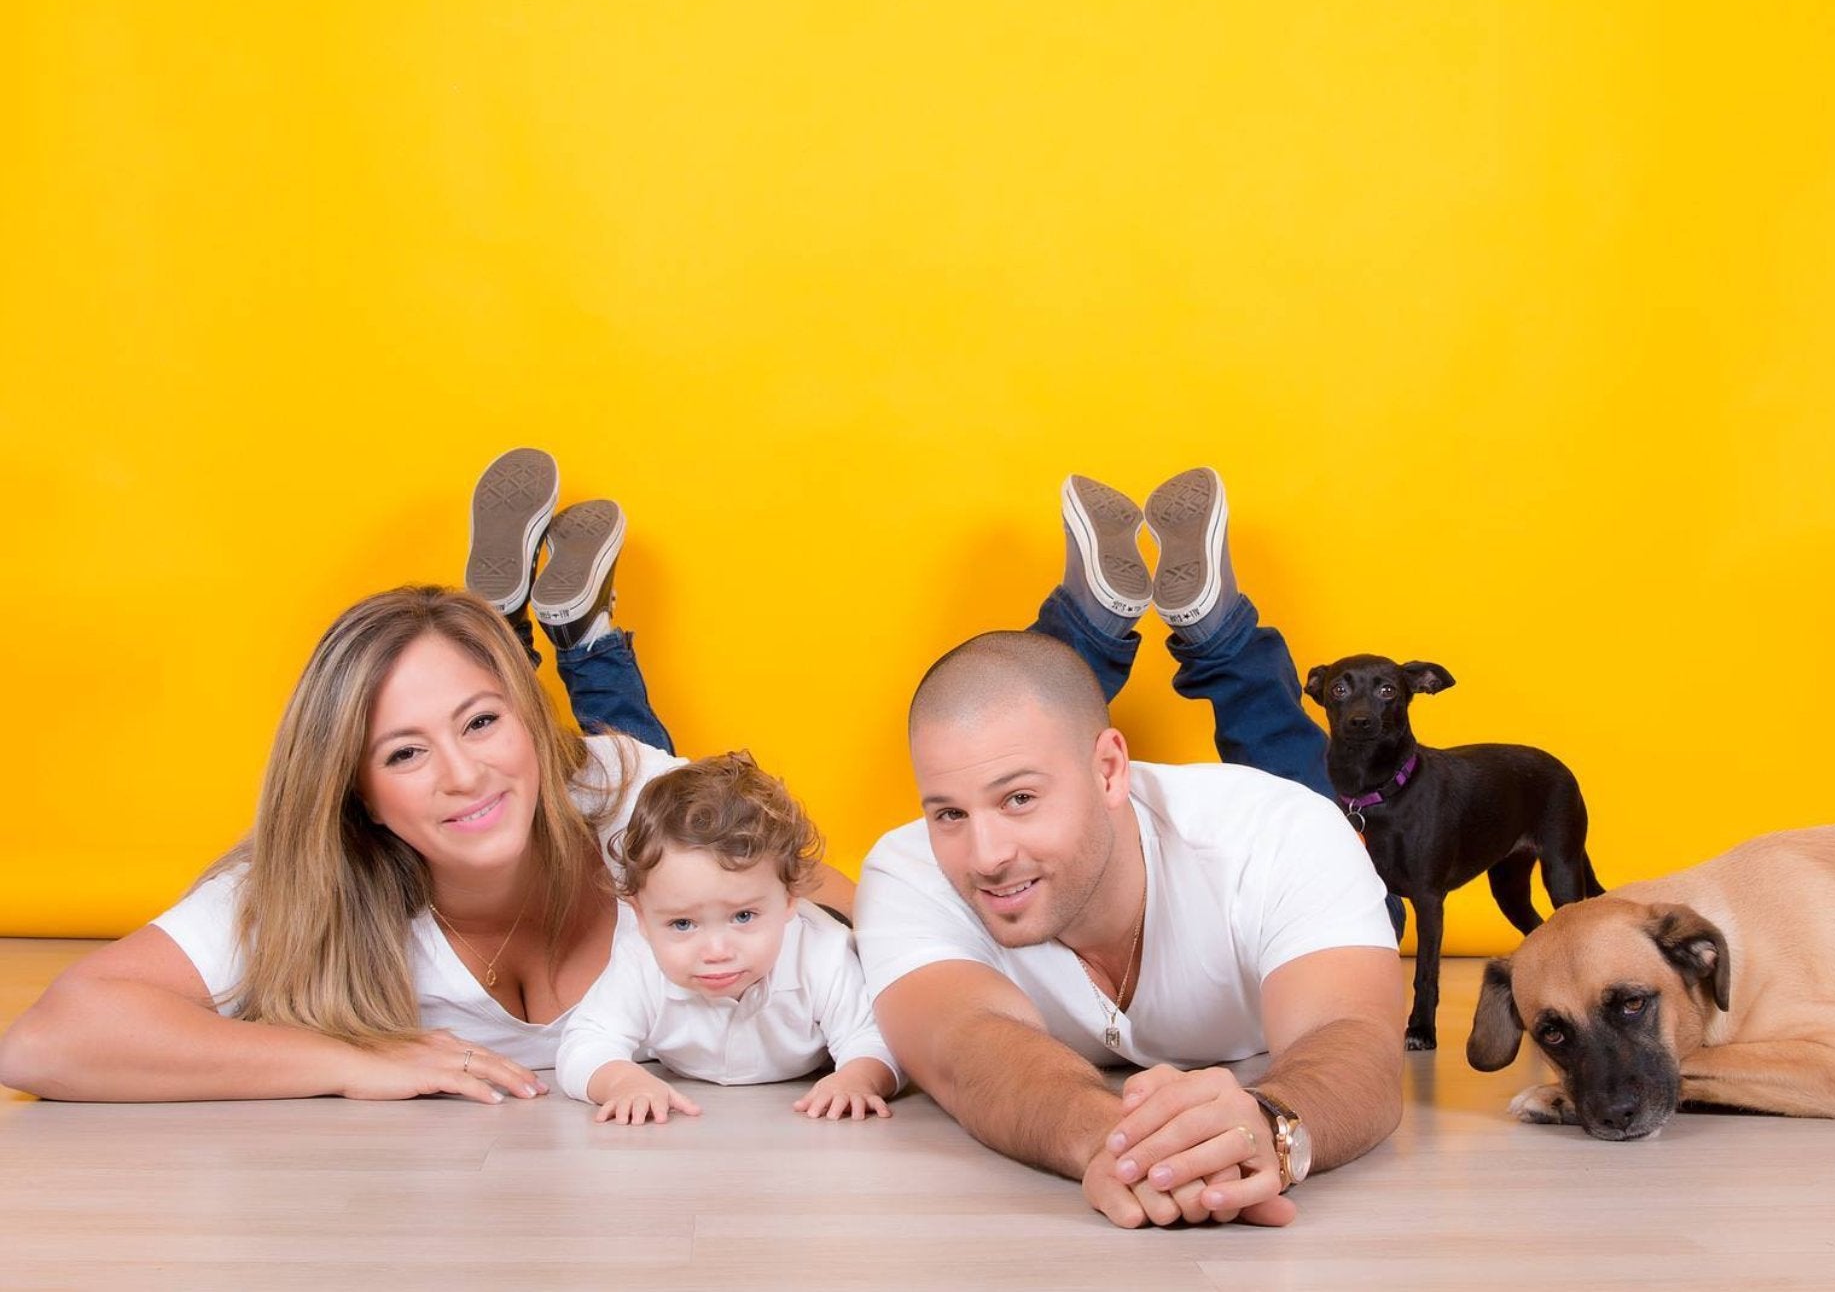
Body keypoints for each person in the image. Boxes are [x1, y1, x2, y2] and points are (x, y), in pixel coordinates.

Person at [0, 449, 844, 1102]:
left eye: (482, 721)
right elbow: (44, 1040)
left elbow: (826, 896)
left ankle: (567, 631)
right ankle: (561, 626)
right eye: (405, 751)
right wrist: (347, 1061)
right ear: (356, 791)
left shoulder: (618, 786)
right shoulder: (305, 882)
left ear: (530, 723)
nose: (463, 774)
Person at [855, 468, 1407, 1229]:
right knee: (1027, 710)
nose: (984, 854)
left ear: (1112, 768)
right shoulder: (906, 870)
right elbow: (966, 1049)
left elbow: (1355, 1040)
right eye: (947, 812)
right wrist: (1112, 1141)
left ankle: (1216, 631)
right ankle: (1101, 620)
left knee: (1296, 775)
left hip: (1264, 828)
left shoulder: (1283, 833)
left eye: (1019, 799)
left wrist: (1272, 1124)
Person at [556, 752, 898, 1124]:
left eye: (743, 916)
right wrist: (621, 1081)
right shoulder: (639, 960)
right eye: (683, 924)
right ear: (640, 916)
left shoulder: (824, 954)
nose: (716, 951)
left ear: (789, 899)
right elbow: (585, 1042)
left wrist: (857, 1076)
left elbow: (876, 1036)